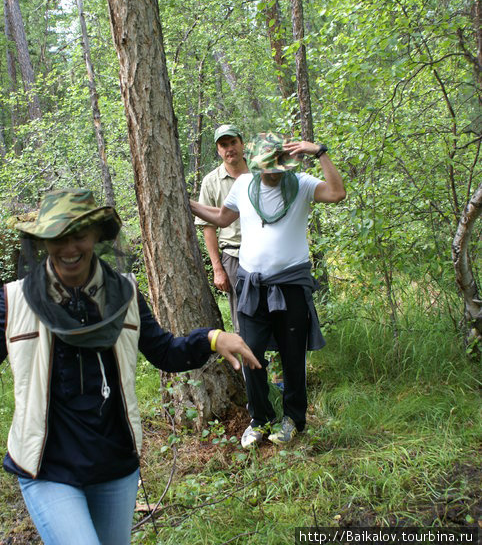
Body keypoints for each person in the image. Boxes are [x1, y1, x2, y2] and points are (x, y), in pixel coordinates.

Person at [0, 188, 260, 545]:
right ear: (43, 242)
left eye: (79, 234)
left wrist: (212, 339)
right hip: (47, 466)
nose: (69, 247)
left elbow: (164, 351)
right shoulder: (13, 301)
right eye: (57, 237)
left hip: (114, 462)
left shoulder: (124, 292)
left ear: (97, 236)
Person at [190, 133, 346, 449]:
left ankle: (292, 419)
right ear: (259, 166)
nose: (273, 172)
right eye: (268, 166)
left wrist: (320, 152)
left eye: (279, 165)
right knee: (251, 353)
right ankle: (259, 420)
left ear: (287, 165)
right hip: (252, 285)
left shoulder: (301, 184)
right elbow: (222, 218)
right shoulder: (244, 186)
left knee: (292, 356)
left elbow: (337, 192)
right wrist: (184, 200)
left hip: (291, 286)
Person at [194, 124, 248, 333]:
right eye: (223, 145)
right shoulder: (211, 182)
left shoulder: (260, 173)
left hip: (265, 254)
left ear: (242, 143)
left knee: (274, 311)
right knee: (242, 318)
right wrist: (218, 269)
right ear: (218, 150)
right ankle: (249, 364)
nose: (229, 149)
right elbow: (208, 228)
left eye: (233, 142)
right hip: (233, 256)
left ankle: (277, 362)